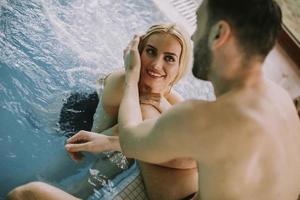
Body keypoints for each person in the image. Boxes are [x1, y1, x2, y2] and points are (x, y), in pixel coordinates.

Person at [118, 0, 300, 200]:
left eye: (199, 22)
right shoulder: (281, 99)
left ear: (218, 34)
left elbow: (128, 139)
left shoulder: (205, 118)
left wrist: (131, 76)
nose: (194, 36)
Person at [7, 23, 198, 200]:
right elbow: (98, 139)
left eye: (169, 58)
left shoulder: (173, 103)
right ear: (138, 52)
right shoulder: (121, 83)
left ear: (179, 67)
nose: (156, 64)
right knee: (53, 168)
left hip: (113, 137)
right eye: (150, 51)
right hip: (85, 117)